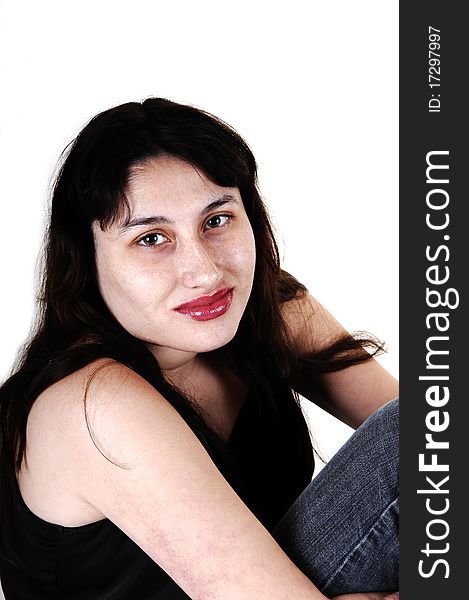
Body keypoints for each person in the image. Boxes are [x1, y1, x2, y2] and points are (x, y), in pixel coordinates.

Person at [0, 97, 399, 599]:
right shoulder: (93, 404)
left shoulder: (269, 308)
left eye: (216, 221)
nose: (206, 272)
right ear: (86, 259)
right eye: (151, 239)